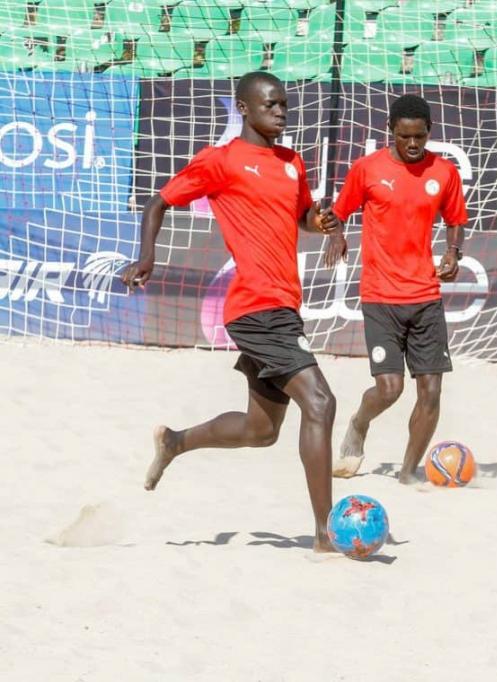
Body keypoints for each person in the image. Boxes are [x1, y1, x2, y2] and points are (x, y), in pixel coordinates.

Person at [120, 72, 341, 553]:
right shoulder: (221, 162)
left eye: (285, 104)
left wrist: (319, 221)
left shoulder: (291, 162)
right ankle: (326, 534)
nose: (281, 111)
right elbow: (159, 201)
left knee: (261, 431)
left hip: (283, 305)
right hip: (254, 306)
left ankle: (175, 442)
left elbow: (301, 216)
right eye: (271, 104)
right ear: (244, 108)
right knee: (321, 403)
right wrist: (147, 256)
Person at [326, 94, 468, 485]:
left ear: (429, 133)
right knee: (389, 388)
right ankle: (358, 423)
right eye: (404, 136)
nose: (412, 144)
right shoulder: (368, 169)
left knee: (432, 392)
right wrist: (336, 235)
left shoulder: (444, 172)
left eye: (419, 137)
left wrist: (453, 252)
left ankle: (408, 473)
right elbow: (337, 213)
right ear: (391, 131)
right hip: (380, 296)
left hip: (424, 296)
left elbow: (456, 220)